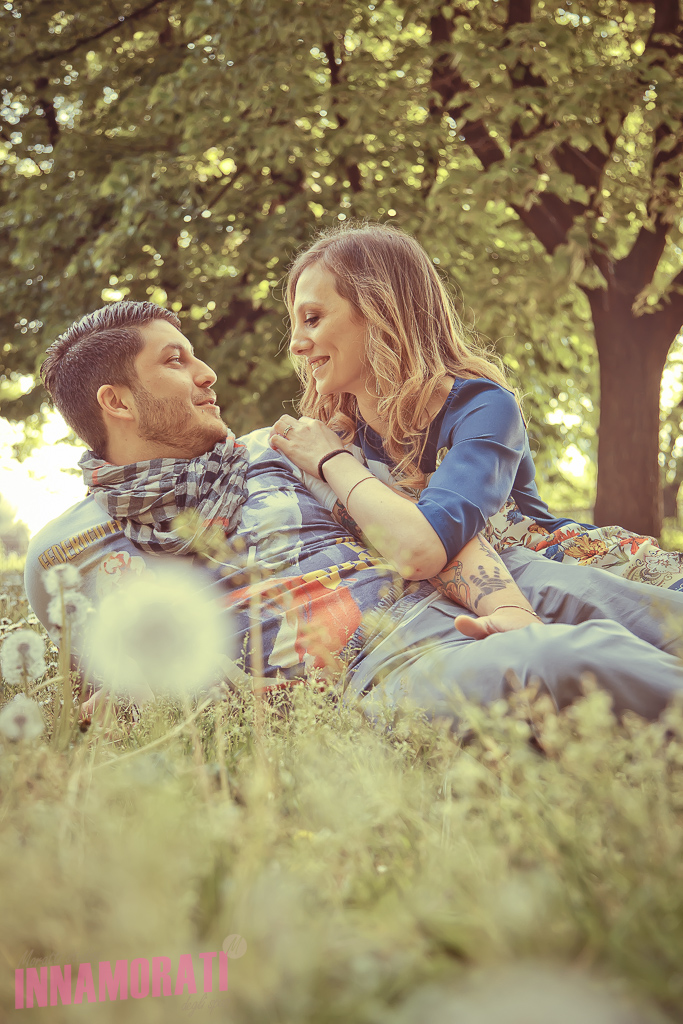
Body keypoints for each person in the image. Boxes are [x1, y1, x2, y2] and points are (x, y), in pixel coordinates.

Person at [23, 300, 683, 724]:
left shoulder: (276, 451)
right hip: (383, 666)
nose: (207, 374)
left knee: (651, 616)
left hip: (447, 586)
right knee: (570, 659)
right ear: (118, 403)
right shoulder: (75, 547)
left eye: (196, 353)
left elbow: (416, 526)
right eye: (175, 361)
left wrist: (505, 609)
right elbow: (156, 683)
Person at [269, 223, 683, 646]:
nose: (296, 345)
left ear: (379, 310)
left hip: (567, 573)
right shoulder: (334, 432)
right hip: (468, 602)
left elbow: (423, 547)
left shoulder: (481, 406)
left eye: (313, 319)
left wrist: (330, 461)